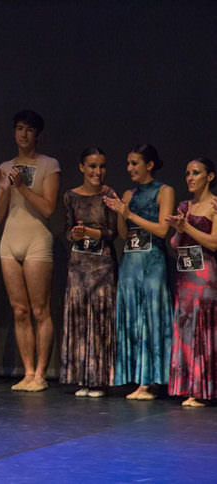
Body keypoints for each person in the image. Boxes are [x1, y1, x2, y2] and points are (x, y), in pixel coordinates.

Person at [0, 110, 60, 391]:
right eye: (19, 128)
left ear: (38, 135)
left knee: (39, 309)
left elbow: (48, 208)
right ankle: (28, 371)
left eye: (29, 130)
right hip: (10, 239)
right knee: (19, 310)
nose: (23, 134)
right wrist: (6, 189)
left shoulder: (49, 164)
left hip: (36, 240)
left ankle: (41, 374)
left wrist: (21, 186)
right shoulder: (6, 165)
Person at [103, 144, 174, 400]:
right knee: (133, 318)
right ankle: (137, 378)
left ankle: (150, 381)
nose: (130, 168)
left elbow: (163, 231)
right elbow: (124, 234)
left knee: (150, 318)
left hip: (152, 261)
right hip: (131, 262)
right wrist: (121, 213)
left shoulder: (164, 191)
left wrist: (129, 212)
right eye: (128, 163)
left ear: (149, 165)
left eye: (135, 163)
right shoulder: (129, 193)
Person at [60, 147, 118, 398]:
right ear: (82, 167)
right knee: (79, 318)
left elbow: (113, 233)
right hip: (78, 264)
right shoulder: (71, 196)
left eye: (102, 166)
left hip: (102, 265)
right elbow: (66, 230)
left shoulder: (109, 195)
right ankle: (82, 377)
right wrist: (74, 234)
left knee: (100, 319)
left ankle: (100, 380)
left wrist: (92, 233)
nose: (97, 171)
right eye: (92, 166)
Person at [166, 157, 217, 407]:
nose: (190, 177)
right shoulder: (184, 205)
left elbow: (213, 243)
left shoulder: (214, 206)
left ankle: (202, 389)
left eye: (196, 172)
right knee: (185, 329)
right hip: (184, 277)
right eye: (187, 173)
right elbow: (176, 245)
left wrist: (187, 227)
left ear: (209, 177)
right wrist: (178, 228)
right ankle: (188, 387)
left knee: (201, 329)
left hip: (205, 278)